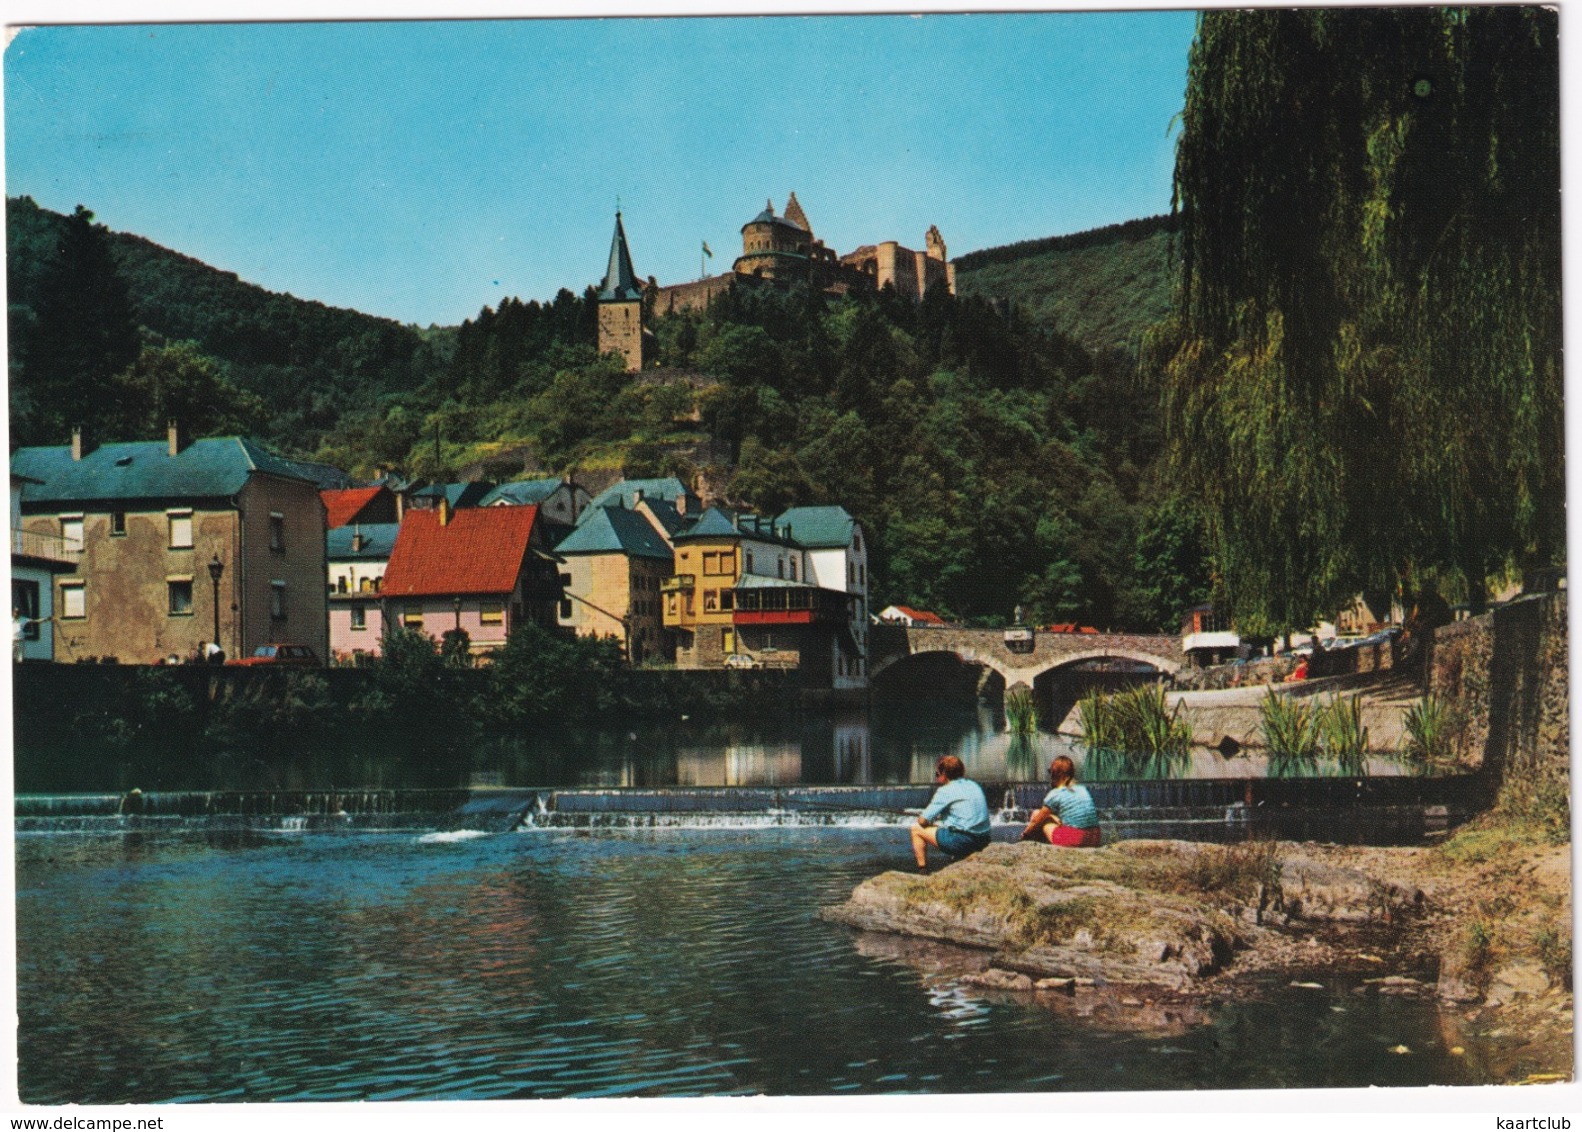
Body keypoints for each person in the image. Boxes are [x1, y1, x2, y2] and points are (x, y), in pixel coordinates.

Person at [911, 755, 992, 872]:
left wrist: (930, 819)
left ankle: (922, 870)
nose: (936, 778)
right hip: (984, 840)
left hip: (963, 842)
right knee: (948, 828)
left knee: (916, 829)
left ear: (944, 775)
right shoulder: (974, 785)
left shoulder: (945, 791)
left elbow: (922, 821)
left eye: (937, 774)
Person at [1021, 755, 1102, 848]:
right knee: (1050, 817)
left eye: (1050, 772)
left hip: (1076, 839)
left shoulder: (1056, 793)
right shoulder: (1082, 789)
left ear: (1054, 774)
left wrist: (1024, 835)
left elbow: (1036, 821)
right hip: (1095, 838)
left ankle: (1037, 846)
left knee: (1037, 814)